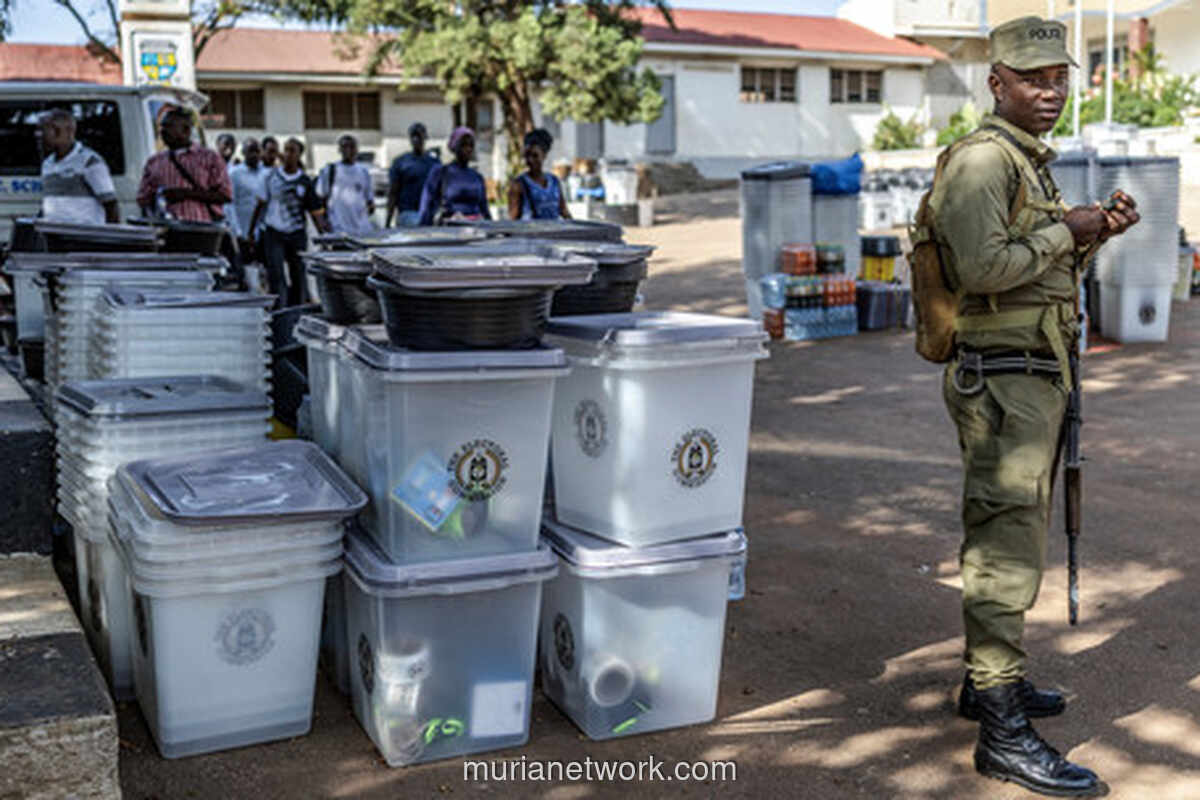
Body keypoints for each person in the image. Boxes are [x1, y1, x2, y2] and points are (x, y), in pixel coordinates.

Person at [926, 16, 1139, 797]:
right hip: (1003, 378)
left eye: (1058, 78)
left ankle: (988, 688)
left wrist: (1092, 233)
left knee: (1006, 532)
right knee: (1007, 546)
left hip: (1029, 372)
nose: (1049, 92)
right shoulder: (985, 160)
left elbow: (1029, 260)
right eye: (1032, 78)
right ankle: (1001, 734)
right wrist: (1068, 230)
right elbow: (983, 268)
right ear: (997, 83)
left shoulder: (1022, 160)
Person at [249, 137, 329, 307]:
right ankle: (279, 312)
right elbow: (260, 205)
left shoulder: (305, 182)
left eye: (292, 151)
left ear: (299, 155)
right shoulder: (270, 176)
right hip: (274, 233)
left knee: (298, 275)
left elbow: (315, 213)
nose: (287, 154)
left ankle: (296, 312)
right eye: (285, 150)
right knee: (276, 275)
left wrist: (325, 237)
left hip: (296, 234)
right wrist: (252, 231)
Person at [136, 107, 231, 223]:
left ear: (186, 130)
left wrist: (186, 194)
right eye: (162, 126)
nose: (163, 131)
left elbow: (225, 195)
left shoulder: (210, 158)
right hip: (165, 231)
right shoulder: (154, 162)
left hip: (201, 230)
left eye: (169, 126)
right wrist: (158, 196)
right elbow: (142, 199)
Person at [38, 108, 119, 224]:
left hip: (84, 237)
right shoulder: (47, 164)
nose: (39, 136)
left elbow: (111, 205)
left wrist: (111, 237)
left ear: (68, 131)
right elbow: (50, 202)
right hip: (54, 236)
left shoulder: (89, 161)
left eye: (45, 130)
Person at [418, 126, 491, 226]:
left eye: (471, 145)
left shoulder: (477, 177)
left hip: (476, 229)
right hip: (450, 230)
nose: (468, 149)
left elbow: (484, 209)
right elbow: (426, 204)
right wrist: (423, 229)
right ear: (454, 147)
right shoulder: (441, 172)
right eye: (463, 145)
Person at [316, 133, 375, 236]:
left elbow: (370, 202)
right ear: (339, 150)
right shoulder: (330, 170)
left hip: (361, 231)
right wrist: (323, 222)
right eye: (345, 147)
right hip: (338, 230)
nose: (348, 150)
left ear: (357, 149)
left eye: (352, 146)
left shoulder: (364, 172)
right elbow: (319, 199)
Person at [508, 128, 570, 221]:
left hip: (554, 234)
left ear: (544, 155)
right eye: (527, 155)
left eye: (535, 155)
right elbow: (513, 219)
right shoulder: (519, 185)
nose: (530, 160)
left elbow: (564, 211)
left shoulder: (554, 182)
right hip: (529, 234)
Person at [387, 122, 438, 227]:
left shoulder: (434, 163)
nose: (416, 139)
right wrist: (387, 221)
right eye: (413, 136)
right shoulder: (400, 162)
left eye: (419, 136)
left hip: (430, 215)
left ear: (425, 138)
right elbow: (393, 192)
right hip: (407, 213)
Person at [229, 137, 267, 261]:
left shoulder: (267, 173)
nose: (254, 155)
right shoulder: (234, 174)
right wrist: (237, 231)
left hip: (264, 232)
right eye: (250, 151)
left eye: (257, 151)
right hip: (242, 231)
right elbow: (230, 204)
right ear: (243, 152)